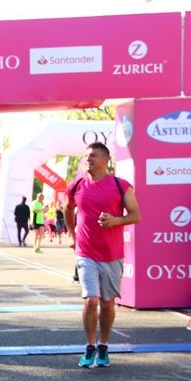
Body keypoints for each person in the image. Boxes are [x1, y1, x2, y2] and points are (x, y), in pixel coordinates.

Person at [65, 142, 141, 368]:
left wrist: (116, 221)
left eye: (94, 156)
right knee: (91, 300)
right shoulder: (77, 184)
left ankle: (104, 345)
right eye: (87, 156)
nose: (88, 159)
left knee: (107, 304)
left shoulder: (120, 186)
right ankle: (89, 346)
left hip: (112, 254)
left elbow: (136, 215)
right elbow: (67, 209)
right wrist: (73, 235)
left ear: (106, 160)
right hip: (85, 252)